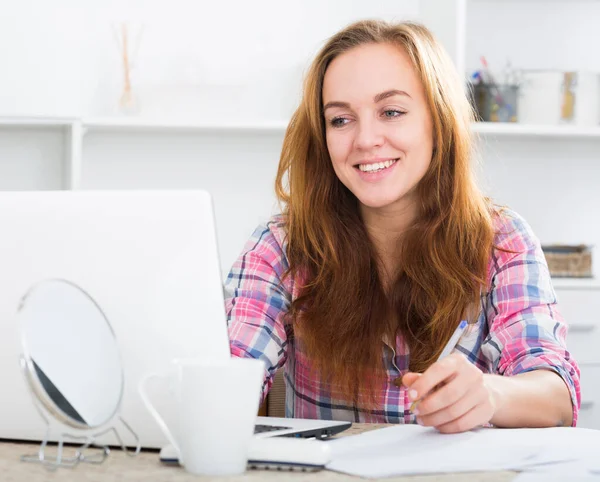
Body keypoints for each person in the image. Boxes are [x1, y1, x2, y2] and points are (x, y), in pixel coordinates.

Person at [225, 19, 580, 433]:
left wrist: (490, 394)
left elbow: (556, 398)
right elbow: (231, 371)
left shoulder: (502, 242)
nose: (365, 139)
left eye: (391, 112)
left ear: (438, 121)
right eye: (340, 120)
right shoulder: (283, 246)